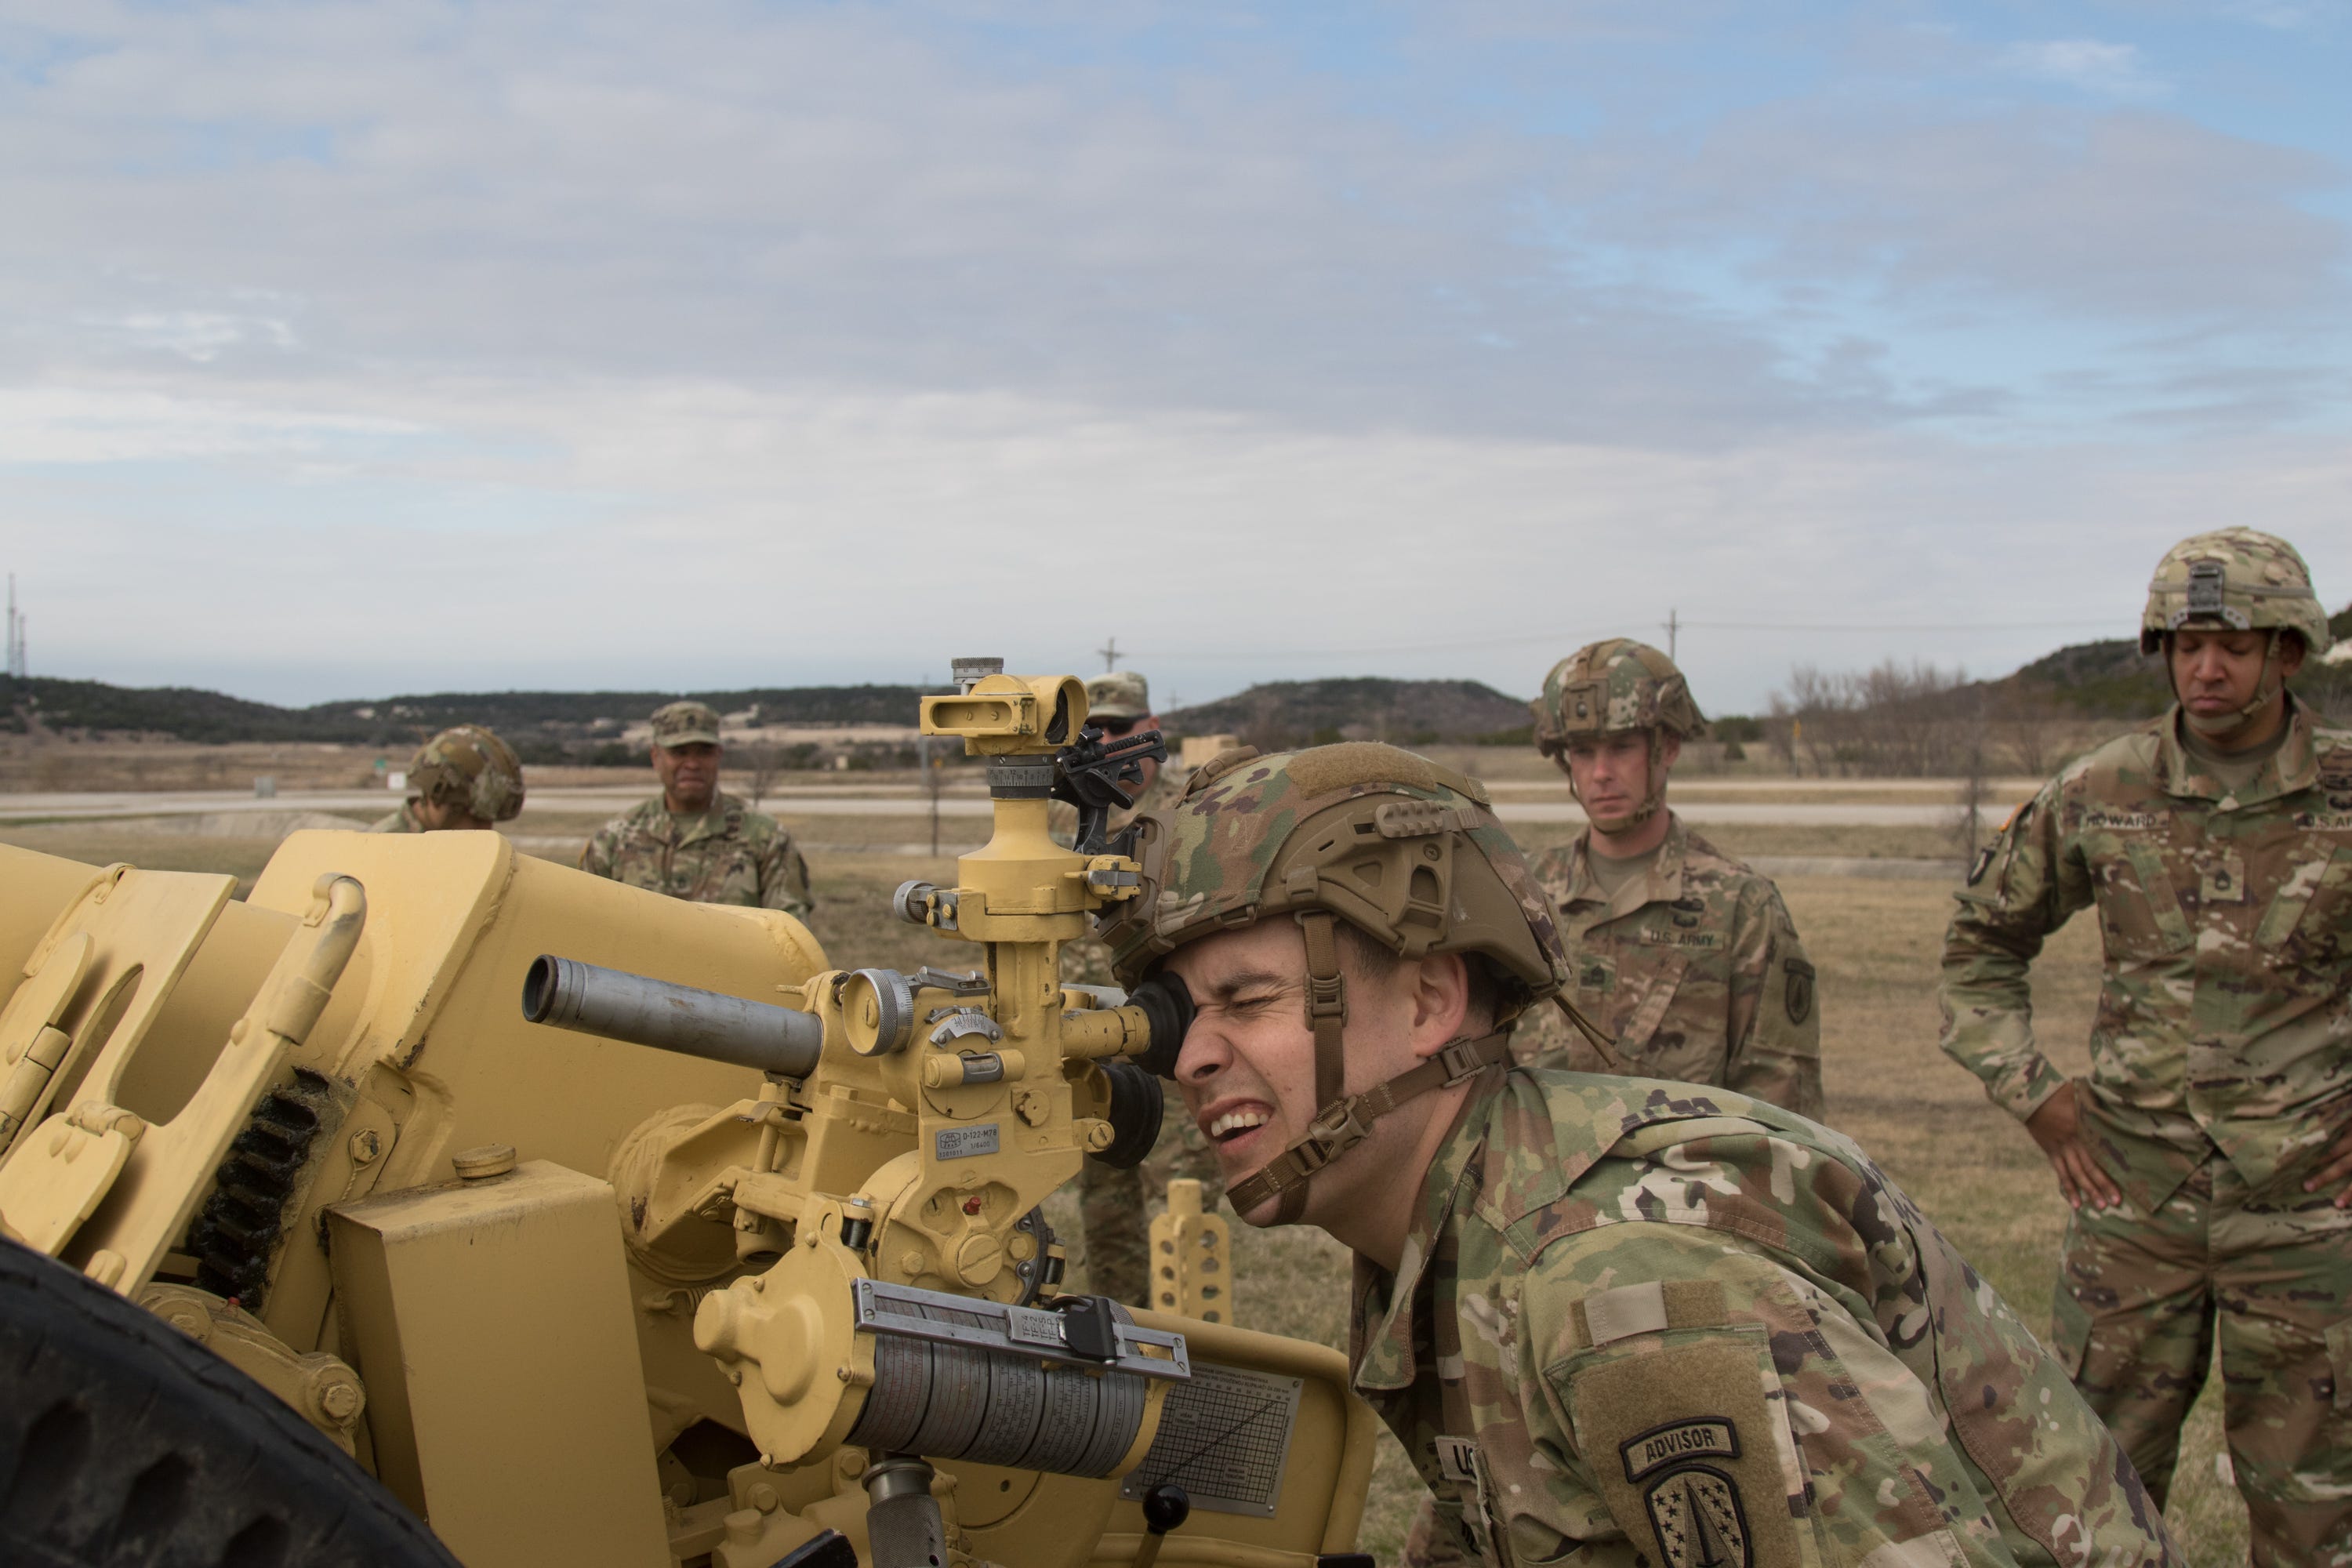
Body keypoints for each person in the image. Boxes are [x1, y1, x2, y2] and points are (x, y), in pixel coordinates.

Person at [1098, 741, 2177, 1566]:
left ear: (1430, 999)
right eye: (1180, 1015)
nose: (1190, 1058)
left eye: (1247, 1002)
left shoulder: (1624, 1290)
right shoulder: (1457, 1224)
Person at [1940, 526, 2350, 1563]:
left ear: (2288, 653)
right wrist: (2035, 1094)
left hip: (2305, 1217)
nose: (2204, 667)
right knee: (2084, 1499)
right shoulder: (2101, 793)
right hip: (2133, 1210)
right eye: (2182, 643)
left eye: (2232, 644)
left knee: (2318, 1516)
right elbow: (1979, 946)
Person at [1514, 639, 1823, 1119]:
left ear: (1668, 747)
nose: (1600, 773)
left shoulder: (1740, 904)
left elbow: (1781, 1110)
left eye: (1621, 748)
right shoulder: (1522, 893)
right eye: (1582, 751)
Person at [1058, 670, 1221, 1306]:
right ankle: (1122, 1336)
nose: (1105, 741)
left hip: (1172, 1046)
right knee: (1106, 1206)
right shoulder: (1057, 815)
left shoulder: (1200, 817)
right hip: (1089, 1048)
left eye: (1120, 728)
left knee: (1179, 1214)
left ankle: (1192, 1345)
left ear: (1151, 730)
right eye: (1091, 730)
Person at [580, 700, 811, 917]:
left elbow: (789, 937)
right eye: (679, 752)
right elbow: (587, 924)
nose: (692, 764)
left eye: (704, 752)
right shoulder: (614, 839)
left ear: (719, 755)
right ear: (655, 757)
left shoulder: (765, 837)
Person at [367, 725, 525, 833]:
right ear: (439, 794)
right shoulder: (382, 851)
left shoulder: (455, 853)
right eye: (475, 818)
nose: (486, 829)